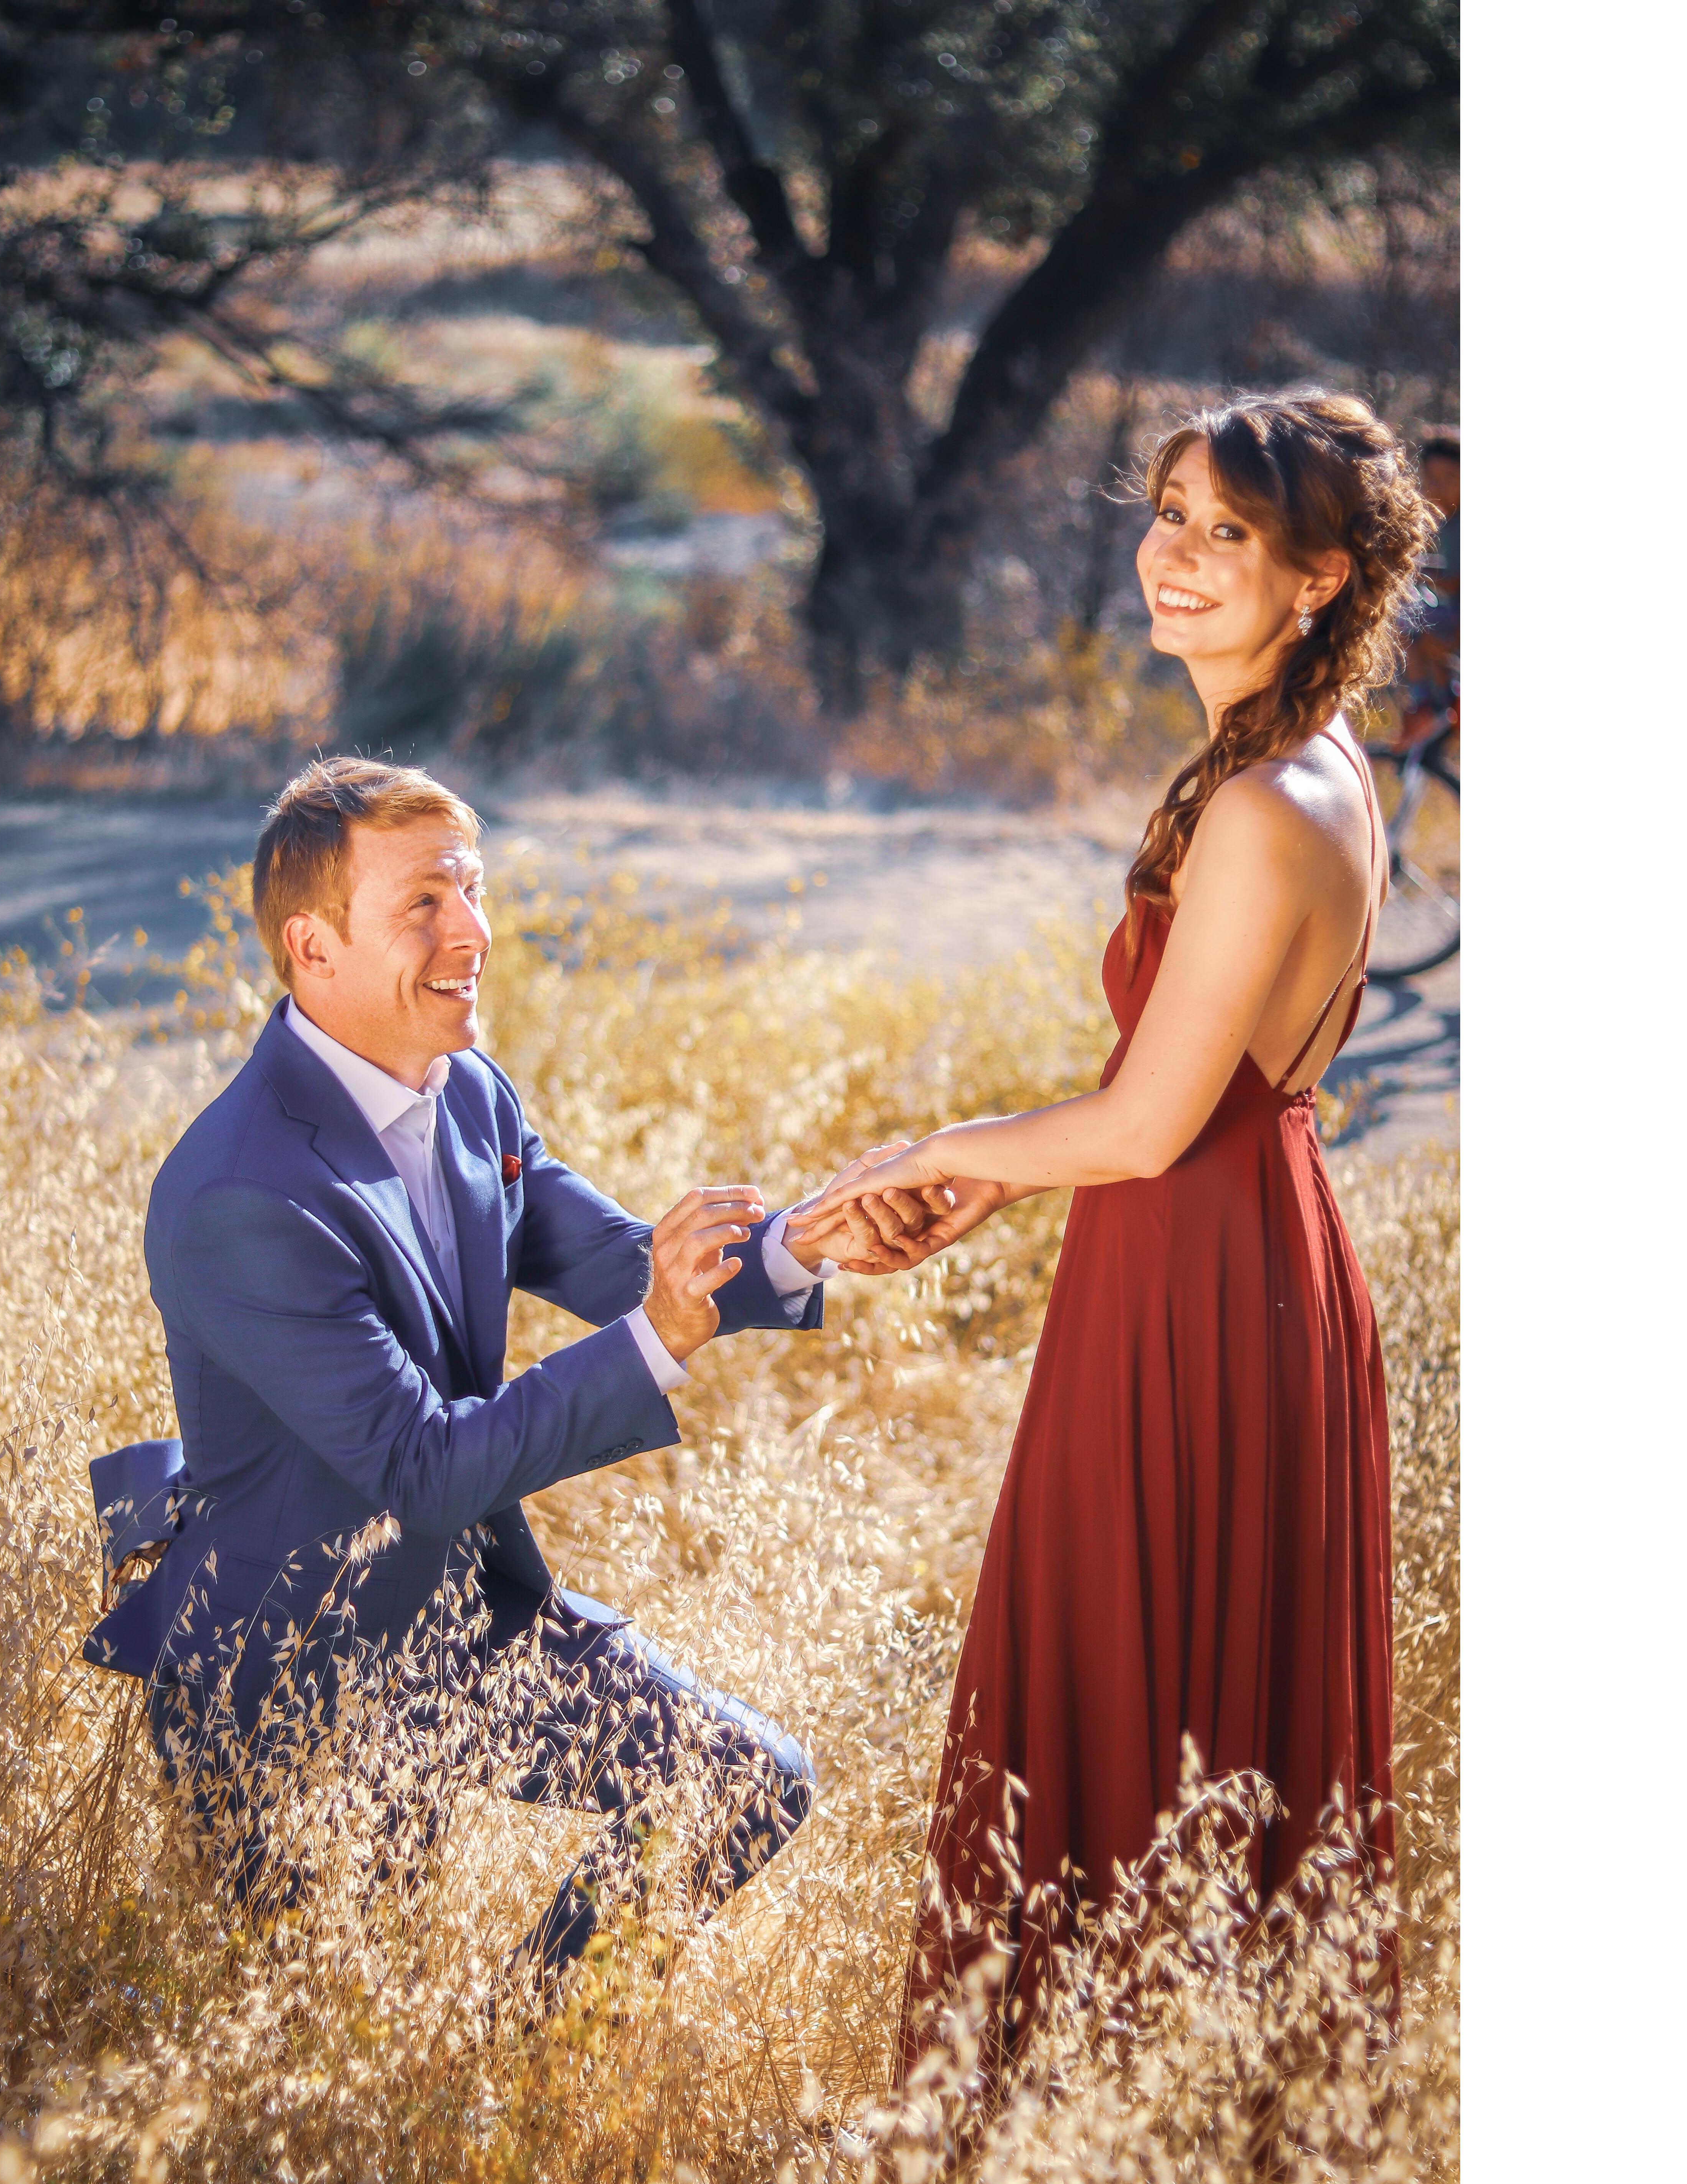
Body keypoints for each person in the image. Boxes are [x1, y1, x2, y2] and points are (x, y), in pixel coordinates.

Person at [794, 389, 1440, 2084]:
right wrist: (991, 1184)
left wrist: (938, 1150)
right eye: (1164, 512)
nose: (1171, 555)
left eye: (1225, 531)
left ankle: (1062, 2138)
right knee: (1173, 1700)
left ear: (1317, 579)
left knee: (1117, 1691)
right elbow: (1174, 1098)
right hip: (1214, 1253)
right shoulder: (1290, 760)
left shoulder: (1262, 800)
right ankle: (1161, 2134)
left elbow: (1154, 1123)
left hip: (1199, 1278)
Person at [83, 759, 934, 2002]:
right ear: (314, 949)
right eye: (425, 902)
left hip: (469, 1621)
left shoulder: (469, 1092)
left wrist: (809, 1239)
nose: (473, 933)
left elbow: (620, 1260)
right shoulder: (238, 1195)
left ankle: (519, 2044)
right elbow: (427, 1470)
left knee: (749, 1781)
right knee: (343, 2039)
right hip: (298, 1680)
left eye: (473, 890)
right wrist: (660, 1337)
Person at [1399, 431, 1459, 738]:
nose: (1439, 488)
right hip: (1451, 614)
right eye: (1431, 480)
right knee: (1413, 625)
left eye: (1450, 477)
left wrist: (1424, 575)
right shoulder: (1444, 524)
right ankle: (1443, 704)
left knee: (1406, 622)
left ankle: (1428, 706)